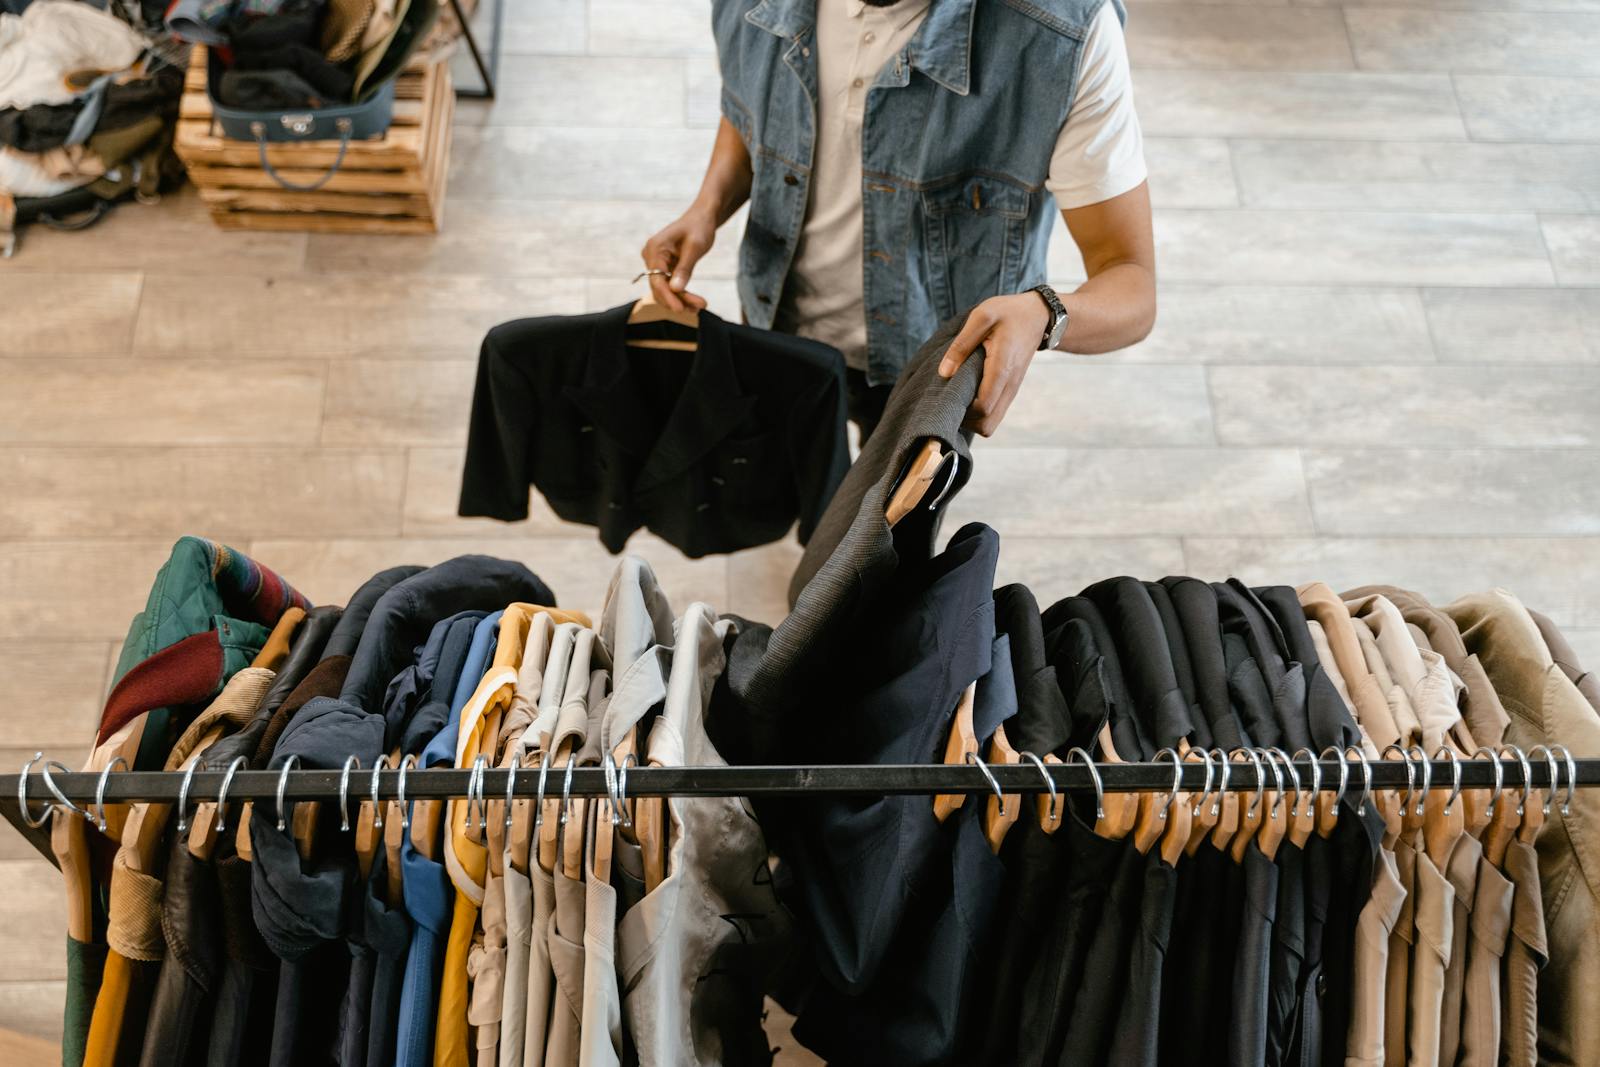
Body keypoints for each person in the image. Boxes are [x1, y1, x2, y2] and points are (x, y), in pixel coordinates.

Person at [641, 0, 1157, 441]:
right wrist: (706, 208)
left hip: (928, 370)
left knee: (872, 526)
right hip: (774, 323)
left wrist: (1042, 314)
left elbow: (1131, 284)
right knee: (779, 487)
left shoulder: (1064, 34)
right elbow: (752, 97)